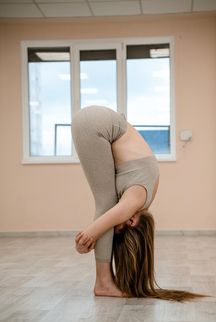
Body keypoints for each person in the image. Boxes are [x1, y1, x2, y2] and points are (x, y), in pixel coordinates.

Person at [71, 105, 204, 301]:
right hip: (95, 124)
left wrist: (93, 236)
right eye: (118, 228)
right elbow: (99, 222)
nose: (114, 224)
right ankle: (103, 283)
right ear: (132, 221)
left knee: (107, 203)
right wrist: (86, 240)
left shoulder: (142, 195)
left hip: (100, 121)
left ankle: (105, 281)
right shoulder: (136, 199)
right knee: (105, 204)